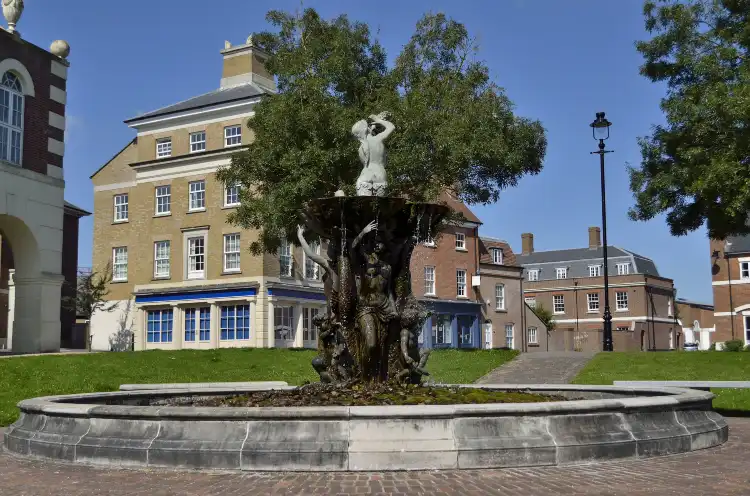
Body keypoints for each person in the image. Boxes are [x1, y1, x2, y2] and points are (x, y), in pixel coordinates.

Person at [352, 112, 395, 196]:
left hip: (365, 177)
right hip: (380, 175)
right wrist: (378, 120)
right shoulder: (378, 139)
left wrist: (371, 129)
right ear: (367, 129)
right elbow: (391, 127)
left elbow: (366, 162)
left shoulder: (361, 148)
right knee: (379, 207)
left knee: (364, 207)